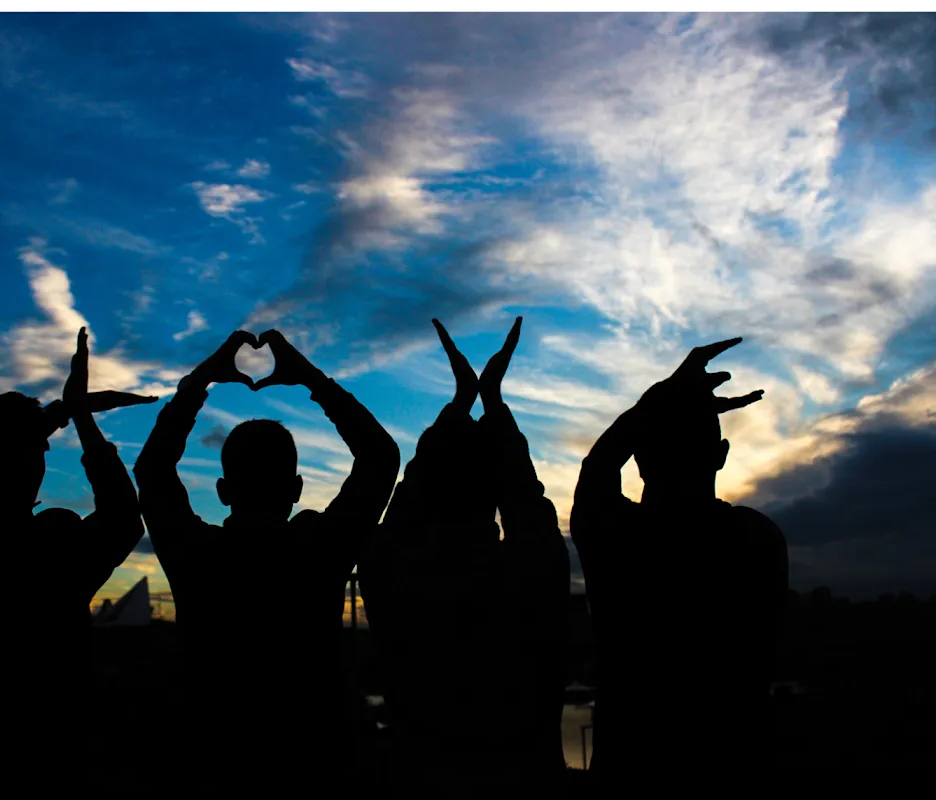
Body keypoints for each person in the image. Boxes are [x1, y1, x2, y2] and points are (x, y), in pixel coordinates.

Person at [133, 328, 400, 792]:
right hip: (315, 766)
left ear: (222, 491)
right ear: (297, 490)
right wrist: (311, 379)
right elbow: (379, 457)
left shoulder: (195, 554)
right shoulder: (320, 550)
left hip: (213, 764)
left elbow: (152, 469)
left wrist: (199, 383)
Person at [0, 328, 151, 794]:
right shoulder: (42, 543)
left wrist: (58, 414)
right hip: (47, 755)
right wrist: (81, 420)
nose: (42, 460)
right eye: (36, 449)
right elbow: (123, 519)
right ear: (11, 457)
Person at [361, 318, 570, 793]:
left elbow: (403, 507)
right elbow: (525, 496)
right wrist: (491, 400)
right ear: (496, 490)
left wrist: (461, 403)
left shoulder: (392, 573)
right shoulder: (535, 570)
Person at [569, 338, 789, 786]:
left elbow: (597, 471)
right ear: (721, 455)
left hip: (631, 770)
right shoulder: (758, 539)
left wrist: (655, 400)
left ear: (641, 459)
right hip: (733, 767)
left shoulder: (615, 536)